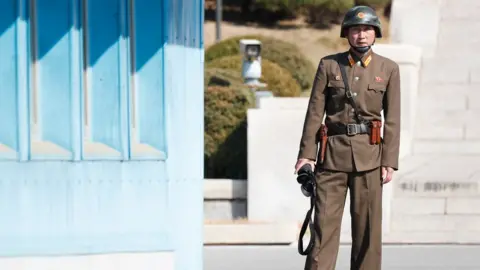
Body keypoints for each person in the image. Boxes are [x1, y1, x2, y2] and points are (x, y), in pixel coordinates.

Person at [294, 5, 401, 270]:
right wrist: (306, 155)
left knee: (367, 234)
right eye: (355, 29)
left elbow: (394, 119)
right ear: (347, 34)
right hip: (331, 160)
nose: (361, 35)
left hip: (370, 159)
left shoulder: (388, 69)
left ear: (375, 33)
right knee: (323, 232)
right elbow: (314, 113)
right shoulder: (329, 65)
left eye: (367, 29)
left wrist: (389, 161)